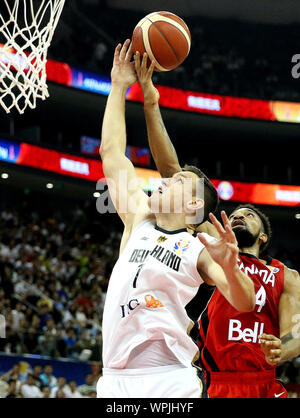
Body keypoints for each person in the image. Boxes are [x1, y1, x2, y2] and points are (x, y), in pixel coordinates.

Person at [134, 51, 300, 398]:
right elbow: (171, 171)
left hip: (264, 383)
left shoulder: (287, 276)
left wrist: (283, 351)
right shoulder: (214, 246)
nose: (240, 215)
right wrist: (152, 105)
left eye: (250, 214)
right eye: (236, 212)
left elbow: (295, 330)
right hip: (215, 382)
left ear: (264, 235)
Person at [96, 40, 255, 399]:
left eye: (178, 180)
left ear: (194, 205)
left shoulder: (198, 248)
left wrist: (232, 268)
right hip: (114, 379)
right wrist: (119, 85)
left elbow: (244, 302)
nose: (166, 178)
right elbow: (111, 153)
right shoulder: (138, 219)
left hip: (167, 377)